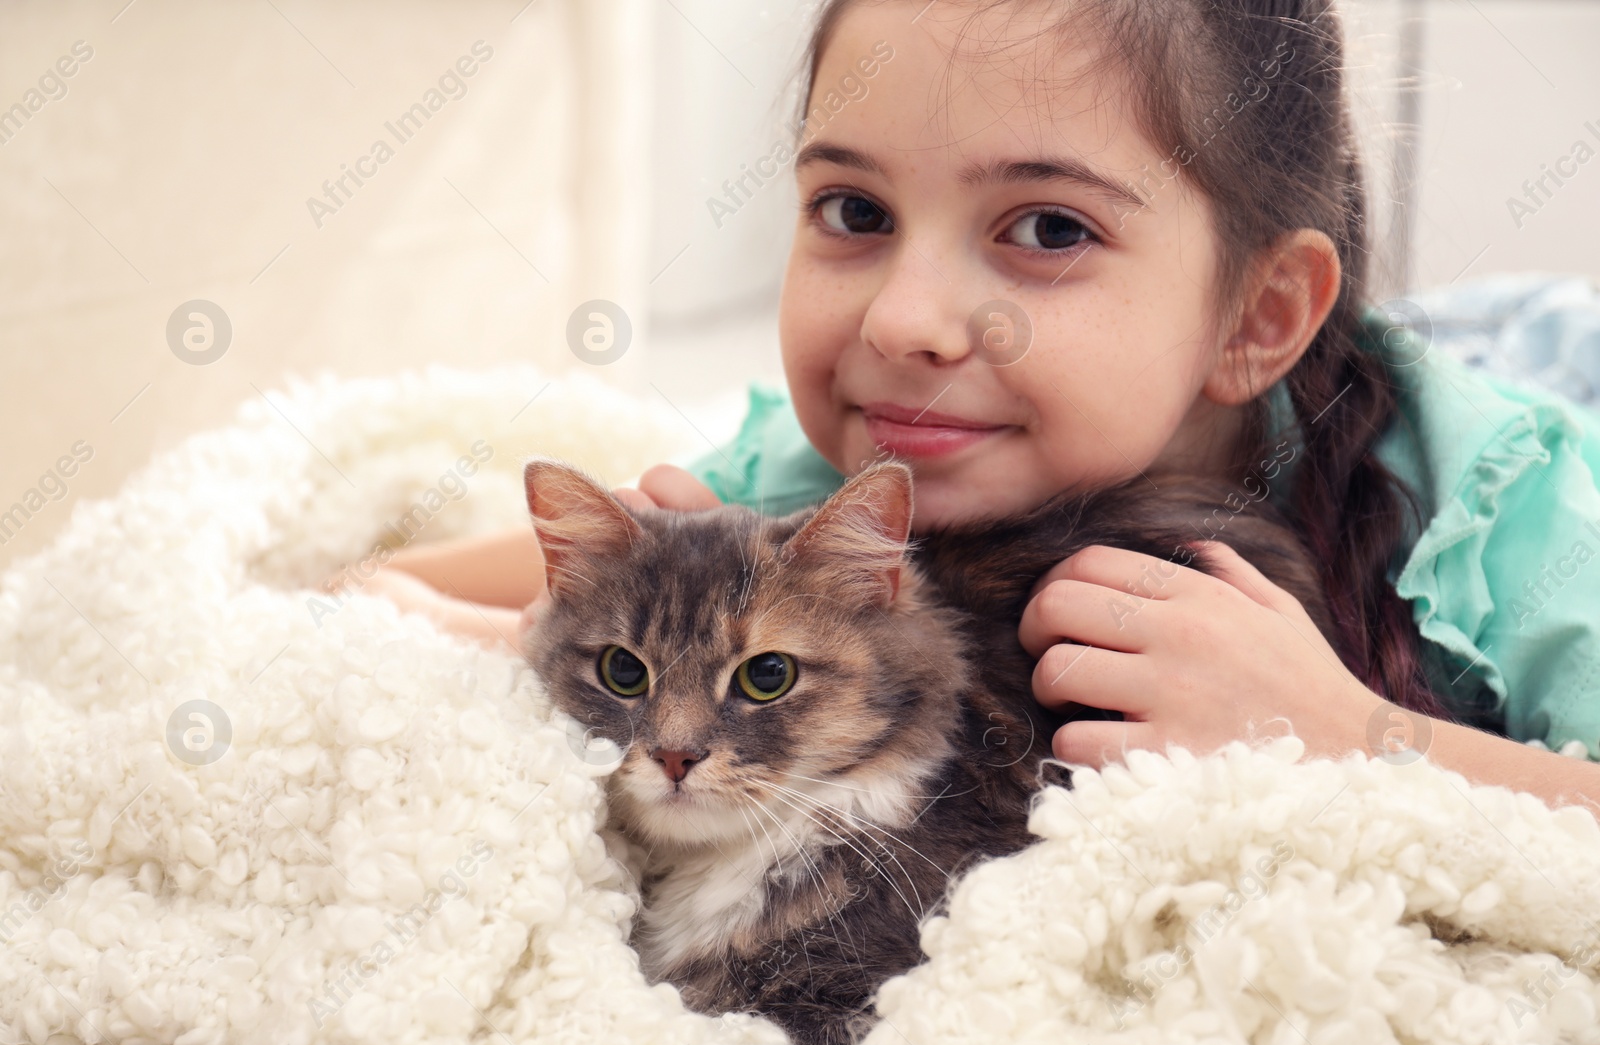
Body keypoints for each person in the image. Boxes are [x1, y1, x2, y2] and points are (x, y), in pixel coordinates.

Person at [348, 0, 1600, 817]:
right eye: (854, 211)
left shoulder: (1503, 510)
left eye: (1048, 229)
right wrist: (582, 615)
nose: (904, 321)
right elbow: (393, 590)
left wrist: (1354, 735)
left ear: (1255, 314)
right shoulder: (820, 474)